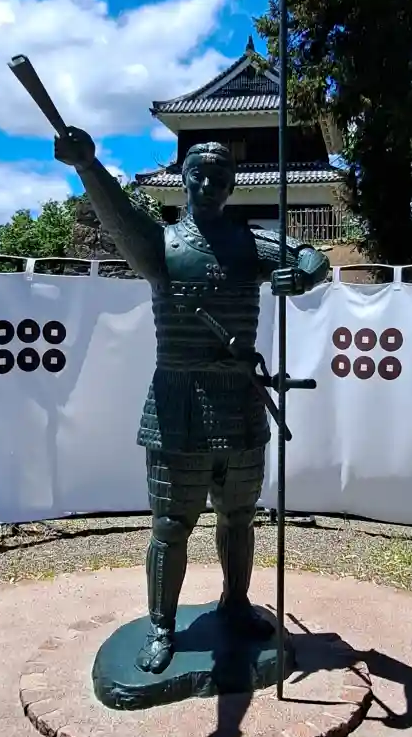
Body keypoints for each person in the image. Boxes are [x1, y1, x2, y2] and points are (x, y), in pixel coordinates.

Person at [52, 127, 329, 672]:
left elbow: (311, 258)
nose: (208, 184)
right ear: (184, 180)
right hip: (176, 405)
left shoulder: (250, 244)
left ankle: (236, 603)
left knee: (240, 517)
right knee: (170, 526)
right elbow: (119, 216)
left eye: (219, 177)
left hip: (241, 401)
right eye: (199, 175)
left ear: (231, 186)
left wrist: (300, 275)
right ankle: (162, 624)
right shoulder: (162, 245)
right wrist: (88, 166)